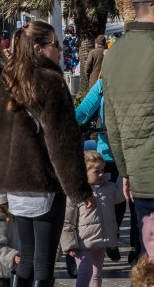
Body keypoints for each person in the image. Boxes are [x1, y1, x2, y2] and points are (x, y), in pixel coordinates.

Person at [0, 21, 95, 286]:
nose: (60, 50)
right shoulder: (51, 81)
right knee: (44, 263)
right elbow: (62, 143)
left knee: (27, 258)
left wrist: (4, 175)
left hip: (17, 184)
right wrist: (79, 190)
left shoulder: (7, 79)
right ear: (38, 48)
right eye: (55, 44)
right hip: (44, 181)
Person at [102, 0, 154, 253]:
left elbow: (111, 123)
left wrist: (124, 172)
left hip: (138, 177)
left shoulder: (114, 53)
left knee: (147, 262)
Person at [75, 78, 131, 262]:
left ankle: (137, 248)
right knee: (114, 201)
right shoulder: (103, 83)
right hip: (110, 153)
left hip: (134, 152)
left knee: (136, 202)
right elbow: (82, 112)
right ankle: (111, 240)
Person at [60, 151, 124, 287]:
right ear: (84, 173)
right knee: (85, 272)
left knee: (96, 274)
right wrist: (69, 244)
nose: (101, 174)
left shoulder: (109, 188)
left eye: (102, 170)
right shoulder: (76, 194)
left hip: (100, 241)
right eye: (96, 171)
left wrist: (124, 174)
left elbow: (121, 195)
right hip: (82, 243)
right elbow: (66, 221)